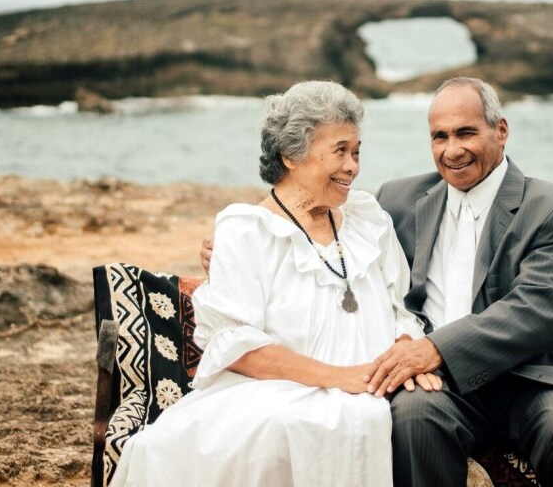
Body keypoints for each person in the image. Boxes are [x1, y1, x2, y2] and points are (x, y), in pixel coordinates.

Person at [199, 77, 553, 487]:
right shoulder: (397, 202)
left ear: (501, 131)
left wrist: (434, 349)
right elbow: (325, 241)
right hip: (439, 384)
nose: (452, 149)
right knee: (412, 418)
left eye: (466, 133)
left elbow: (540, 311)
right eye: (439, 137)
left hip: (536, 377)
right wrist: (231, 250)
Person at [113, 81, 435, 487]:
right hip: (276, 391)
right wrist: (341, 377)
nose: (353, 166)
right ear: (291, 155)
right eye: (339, 151)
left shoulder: (369, 219)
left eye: (356, 152)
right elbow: (238, 346)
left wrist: (404, 354)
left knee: (363, 416)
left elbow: (400, 310)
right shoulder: (245, 229)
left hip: (373, 386)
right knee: (305, 424)